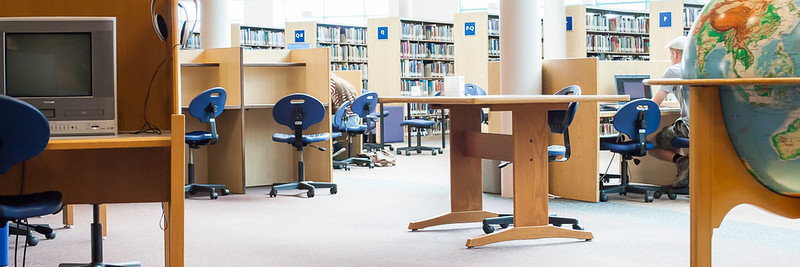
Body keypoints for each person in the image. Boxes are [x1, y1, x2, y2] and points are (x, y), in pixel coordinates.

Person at [649, 36, 690, 189]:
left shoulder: (673, 70)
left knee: (652, 144)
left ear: (675, 55)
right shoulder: (700, 70)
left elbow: (654, 104)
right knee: (672, 132)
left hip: (687, 127)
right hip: (707, 125)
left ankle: (681, 161)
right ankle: (682, 173)